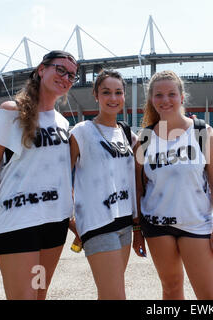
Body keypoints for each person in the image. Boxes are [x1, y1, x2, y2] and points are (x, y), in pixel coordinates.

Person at [0, 50, 77, 300]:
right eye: (60, 69)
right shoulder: (10, 111)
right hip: (17, 222)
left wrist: (73, 218)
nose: (66, 77)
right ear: (41, 69)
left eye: (72, 75)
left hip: (54, 224)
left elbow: (61, 175)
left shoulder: (62, 122)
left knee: (40, 294)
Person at [133, 70, 213, 300]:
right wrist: (137, 229)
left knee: (209, 296)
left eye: (171, 94)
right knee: (171, 288)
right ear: (151, 100)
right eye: (159, 95)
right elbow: (137, 187)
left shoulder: (201, 132)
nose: (165, 100)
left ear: (182, 97)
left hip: (196, 224)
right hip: (157, 225)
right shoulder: (145, 138)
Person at [68, 70, 137, 299]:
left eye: (118, 92)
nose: (113, 98)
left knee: (110, 292)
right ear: (95, 95)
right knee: (115, 295)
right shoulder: (81, 132)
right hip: (97, 223)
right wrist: (71, 220)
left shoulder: (127, 133)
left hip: (124, 222)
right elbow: (61, 178)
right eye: (106, 92)